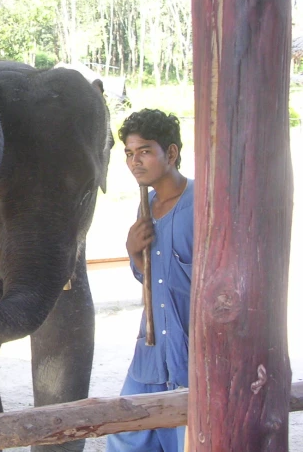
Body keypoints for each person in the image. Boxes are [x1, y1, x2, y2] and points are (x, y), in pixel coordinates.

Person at [105, 108, 193, 452]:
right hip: (152, 353)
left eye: (144, 151)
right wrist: (134, 252)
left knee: (185, 439)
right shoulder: (147, 206)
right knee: (127, 431)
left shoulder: (202, 203)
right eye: (128, 153)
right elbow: (151, 280)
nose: (134, 162)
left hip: (191, 353)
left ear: (170, 153)